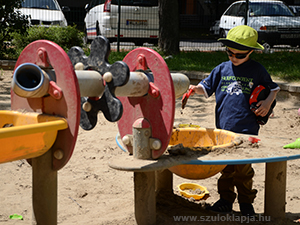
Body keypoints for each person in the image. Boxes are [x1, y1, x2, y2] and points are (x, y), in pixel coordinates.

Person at [189, 25, 280, 216]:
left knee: (244, 171)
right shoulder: (222, 69)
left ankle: (246, 204)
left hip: (247, 130)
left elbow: (274, 88)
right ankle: (225, 200)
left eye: (240, 55)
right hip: (224, 130)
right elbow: (205, 88)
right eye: (230, 53)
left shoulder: (257, 70)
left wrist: (267, 102)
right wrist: (192, 89)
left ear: (251, 52)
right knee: (226, 168)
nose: (234, 58)